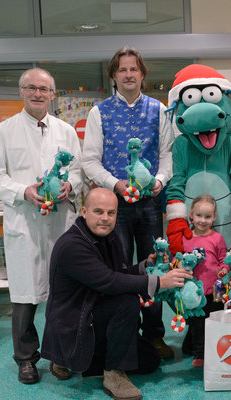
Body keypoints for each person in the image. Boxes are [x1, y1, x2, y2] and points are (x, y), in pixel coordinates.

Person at [41, 188, 190, 400]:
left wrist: (145, 266)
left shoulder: (108, 237)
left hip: (93, 313)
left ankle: (85, 361)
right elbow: (109, 282)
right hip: (75, 323)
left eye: (111, 213)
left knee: (149, 361)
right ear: (84, 211)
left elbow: (117, 273)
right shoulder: (71, 246)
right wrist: (160, 282)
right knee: (127, 301)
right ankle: (112, 373)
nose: (105, 218)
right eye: (98, 212)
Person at [0, 68, 83, 385]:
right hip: (24, 222)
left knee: (62, 293)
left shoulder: (66, 131)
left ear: (52, 94)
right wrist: (24, 191)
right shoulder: (3, 131)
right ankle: (26, 359)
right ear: (22, 92)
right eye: (31, 88)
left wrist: (71, 187)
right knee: (25, 296)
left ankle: (60, 356)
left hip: (59, 222)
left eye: (44, 89)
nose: (38, 93)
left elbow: (78, 172)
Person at [82, 47, 175, 359]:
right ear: (114, 75)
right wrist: (116, 184)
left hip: (150, 203)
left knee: (154, 265)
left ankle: (154, 335)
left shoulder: (159, 110)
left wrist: (160, 179)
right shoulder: (99, 113)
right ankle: (122, 333)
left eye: (134, 69)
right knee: (118, 269)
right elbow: (90, 162)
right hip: (115, 206)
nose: (128, 74)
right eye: (122, 70)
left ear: (142, 74)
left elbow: (167, 155)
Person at [179, 194, 228, 367]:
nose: (203, 220)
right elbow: (179, 260)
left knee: (216, 318)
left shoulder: (217, 238)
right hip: (194, 291)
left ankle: (216, 347)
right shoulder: (185, 238)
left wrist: (224, 270)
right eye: (199, 216)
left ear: (214, 217)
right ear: (191, 215)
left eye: (208, 217)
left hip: (217, 288)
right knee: (197, 322)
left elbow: (224, 260)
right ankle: (199, 353)